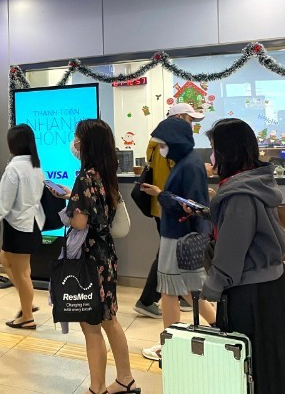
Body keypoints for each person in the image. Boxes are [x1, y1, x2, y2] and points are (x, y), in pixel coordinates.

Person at [196, 118, 285, 394]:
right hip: (273, 287)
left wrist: (211, 288)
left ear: (227, 151)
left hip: (251, 293)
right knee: (273, 364)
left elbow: (231, 253)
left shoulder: (238, 195)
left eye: (214, 148)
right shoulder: (256, 183)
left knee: (254, 368)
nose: (212, 155)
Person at [49, 119, 139, 394]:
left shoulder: (85, 178)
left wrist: (68, 208)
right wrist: (72, 197)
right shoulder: (105, 176)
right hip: (106, 257)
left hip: (87, 260)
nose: (73, 142)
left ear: (85, 144)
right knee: (109, 319)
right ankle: (126, 379)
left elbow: (79, 223)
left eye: (76, 137)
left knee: (90, 326)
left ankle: (96, 388)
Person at [139, 117, 216, 361]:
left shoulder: (188, 165)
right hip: (185, 235)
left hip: (178, 236)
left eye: (164, 144)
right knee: (187, 288)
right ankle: (219, 325)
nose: (162, 149)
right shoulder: (188, 161)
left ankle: (170, 344)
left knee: (169, 291)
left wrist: (161, 195)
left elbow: (190, 206)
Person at [134, 103, 204, 319]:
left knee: (173, 283)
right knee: (175, 282)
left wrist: (161, 195)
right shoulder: (177, 157)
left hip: (176, 224)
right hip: (170, 218)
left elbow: (186, 202)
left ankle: (163, 314)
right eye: (190, 120)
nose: (191, 125)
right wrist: (162, 195)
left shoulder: (187, 163)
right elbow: (174, 190)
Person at [0, 124, 45, 330]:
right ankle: (28, 302)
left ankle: (27, 317)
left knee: (23, 272)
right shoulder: (35, 166)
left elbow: (5, 201)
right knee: (6, 259)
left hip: (18, 225)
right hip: (32, 223)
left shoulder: (14, 168)